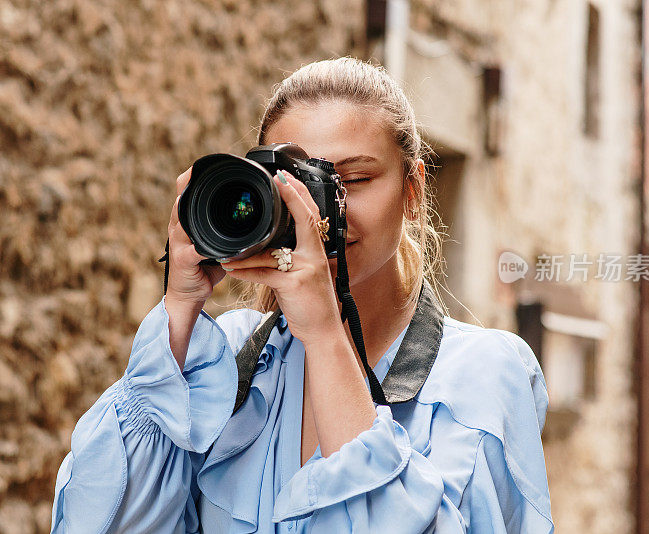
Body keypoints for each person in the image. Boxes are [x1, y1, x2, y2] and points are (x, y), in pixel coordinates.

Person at [50, 57, 554, 533]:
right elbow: (104, 520)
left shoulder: (485, 374)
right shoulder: (228, 363)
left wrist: (324, 334)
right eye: (298, 188)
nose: (322, 214)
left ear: (413, 190)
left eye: (353, 180)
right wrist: (180, 308)